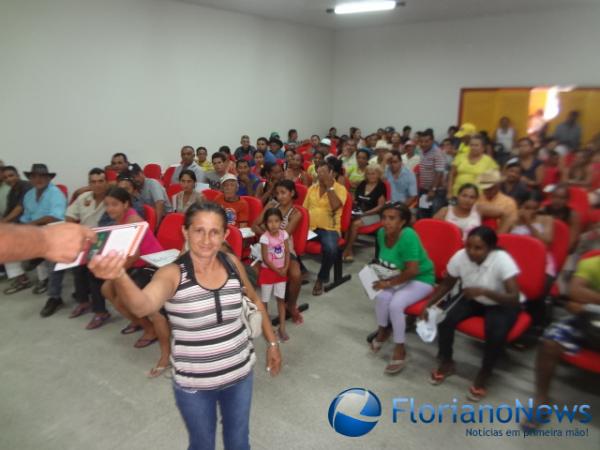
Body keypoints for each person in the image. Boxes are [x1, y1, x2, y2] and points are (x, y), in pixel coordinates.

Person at [88, 202, 281, 449]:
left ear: (224, 235)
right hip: (195, 384)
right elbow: (142, 306)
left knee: (239, 439)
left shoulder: (232, 262)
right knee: (202, 444)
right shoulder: (172, 274)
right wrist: (119, 275)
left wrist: (273, 343)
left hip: (240, 374)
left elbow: (255, 301)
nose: (207, 240)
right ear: (185, 232)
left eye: (215, 232)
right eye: (199, 230)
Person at [421, 226, 522, 401]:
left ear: (490, 248)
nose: (471, 251)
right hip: (471, 297)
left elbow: (514, 298)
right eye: (468, 246)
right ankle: (447, 361)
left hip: (500, 303)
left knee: (496, 334)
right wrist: (428, 305)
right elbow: (446, 284)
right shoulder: (460, 257)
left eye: (478, 248)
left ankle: (485, 373)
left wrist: (484, 292)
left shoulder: (502, 260)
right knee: (444, 319)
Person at [98, 187, 171, 377]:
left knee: (128, 300)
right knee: (106, 290)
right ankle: (144, 325)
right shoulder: (118, 219)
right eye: (107, 205)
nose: (110, 209)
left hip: (152, 264)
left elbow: (135, 255)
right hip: (135, 265)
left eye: (114, 204)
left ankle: (160, 344)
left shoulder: (132, 221)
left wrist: (115, 272)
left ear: (126, 204)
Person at [524, 253, 599, 430]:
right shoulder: (591, 263)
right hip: (588, 320)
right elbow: (574, 292)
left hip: (588, 312)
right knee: (550, 342)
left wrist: (587, 300)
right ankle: (541, 399)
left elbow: (581, 297)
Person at [370, 203, 435, 374]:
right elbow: (382, 260)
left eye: (392, 218)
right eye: (384, 217)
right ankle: (383, 330)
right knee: (382, 297)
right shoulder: (381, 233)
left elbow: (413, 270)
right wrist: (378, 276)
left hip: (421, 278)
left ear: (402, 222)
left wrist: (388, 283)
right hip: (396, 275)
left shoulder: (408, 235)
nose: (386, 222)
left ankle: (400, 348)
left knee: (396, 304)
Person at [3, 164, 66, 298]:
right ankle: (22, 277)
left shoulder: (55, 193)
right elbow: (26, 216)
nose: (38, 179)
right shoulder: (29, 195)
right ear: (30, 179)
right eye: (34, 177)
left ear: (49, 179)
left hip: (53, 229)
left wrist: (29, 226)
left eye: (42, 176)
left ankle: (43, 277)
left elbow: (54, 216)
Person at [251, 180, 304, 324]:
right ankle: (253, 309)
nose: (280, 196)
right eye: (277, 193)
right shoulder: (271, 205)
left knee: (296, 274)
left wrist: (266, 235)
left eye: (283, 193)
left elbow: (282, 236)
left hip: (285, 249)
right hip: (265, 248)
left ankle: (291, 305)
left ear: (292, 193)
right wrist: (266, 238)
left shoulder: (296, 213)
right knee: (250, 274)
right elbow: (254, 224)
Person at [63, 168, 110, 324]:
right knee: (76, 266)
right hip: (84, 239)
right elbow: (70, 217)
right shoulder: (83, 197)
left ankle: (101, 311)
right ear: (89, 184)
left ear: (106, 182)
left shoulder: (111, 199)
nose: (97, 185)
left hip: (104, 240)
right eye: (93, 182)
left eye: (101, 181)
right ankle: (83, 301)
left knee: (92, 270)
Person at [303, 162, 347, 296]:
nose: (320, 175)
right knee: (286, 239)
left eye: (323, 172)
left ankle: (321, 279)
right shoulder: (312, 188)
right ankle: (302, 270)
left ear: (331, 173)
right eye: (318, 172)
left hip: (329, 228)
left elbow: (335, 206)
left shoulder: (339, 188)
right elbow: (304, 210)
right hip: (310, 227)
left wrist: (329, 188)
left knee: (331, 248)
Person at [342, 166, 386, 262]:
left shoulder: (381, 186)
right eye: (368, 174)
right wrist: (353, 206)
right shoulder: (363, 184)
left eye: (373, 173)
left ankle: (348, 250)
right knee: (346, 220)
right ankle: (344, 246)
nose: (370, 176)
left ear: (378, 175)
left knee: (355, 224)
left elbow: (380, 206)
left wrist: (365, 213)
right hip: (359, 211)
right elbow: (356, 199)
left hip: (374, 214)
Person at [259, 208, 291, 341]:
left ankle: (282, 327)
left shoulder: (284, 235)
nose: (273, 224)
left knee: (280, 299)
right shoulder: (264, 238)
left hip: (281, 271)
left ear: (281, 222)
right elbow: (266, 258)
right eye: (270, 222)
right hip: (268, 272)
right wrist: (278, 270)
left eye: (276, 221)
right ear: (266, 224)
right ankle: (268, 327)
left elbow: (288, 252)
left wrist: (286, 267)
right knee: (265, 300)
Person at [541, 183, 581, 251]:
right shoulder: (543, 210)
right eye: (555, 197)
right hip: (545, 247)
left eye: (562, 198)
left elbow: (571, 242)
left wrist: (559, 252)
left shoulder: (573, 215)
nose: (557, 201)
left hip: (566, 251)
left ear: (567, 200)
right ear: (551, 197)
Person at [417, 130, 447, 218]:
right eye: (421, 141)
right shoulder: (421, 151)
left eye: (426, 141)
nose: (423, 144)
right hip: (424, 190)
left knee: (435, 215)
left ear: (432, 141)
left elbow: (439, 172)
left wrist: (433, 189)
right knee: (423, 213)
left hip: (436, 191)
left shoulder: (437, 153)